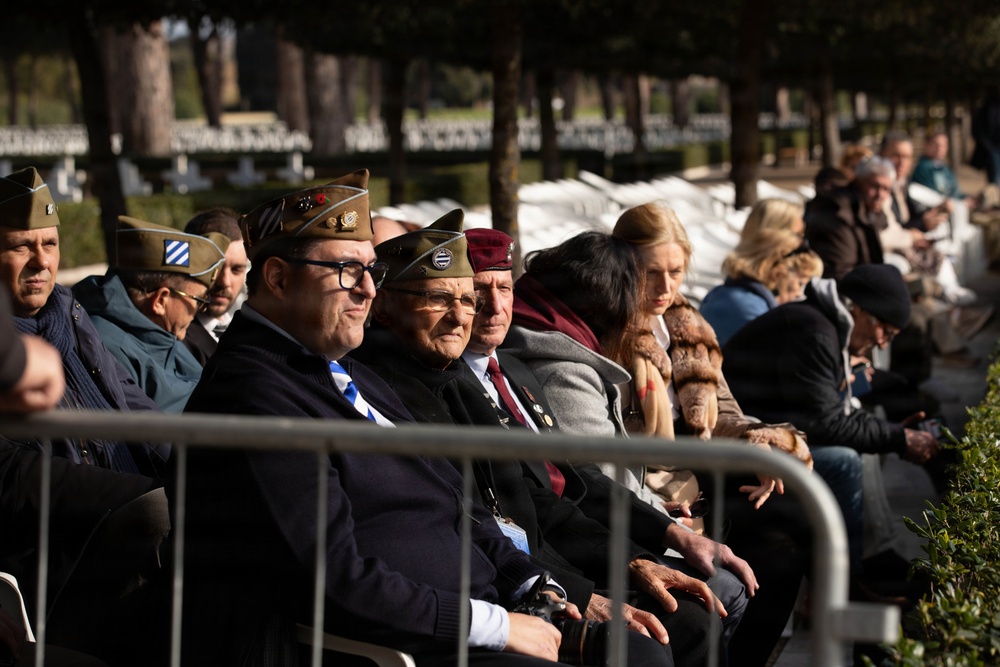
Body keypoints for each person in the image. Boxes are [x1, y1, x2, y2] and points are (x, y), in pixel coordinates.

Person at [179, 169, 600, 667]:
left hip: (477, 615)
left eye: (370, 272)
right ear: (277, 278)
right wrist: (499, 627)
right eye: (346, 271)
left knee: (641, 646)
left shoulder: (346, 372)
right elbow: (334, 580)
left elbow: (458, 502)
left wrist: (530, 583)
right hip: (397, 647)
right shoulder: (254, 395)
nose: (367, 290)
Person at [354, 221, 741, 667]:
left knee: (702, 608)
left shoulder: (467, 377)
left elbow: (549, 488)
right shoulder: (392, 386)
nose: (466, 315)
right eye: (442, 298)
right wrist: (570, 591)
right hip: (481, 595)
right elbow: (466, 521)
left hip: (537, 568)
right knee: (670, 632)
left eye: (469, 298)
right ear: (384, 305)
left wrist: (637, 555)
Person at [0, 167, 166, 474]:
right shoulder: (7, 355)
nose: (42, 261)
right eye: (20, 246)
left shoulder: (72, 316)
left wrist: (187, 463)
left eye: (50, 244)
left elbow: (131, 401)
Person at [74, 217, 226, 412]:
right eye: (199, 301)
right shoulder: (105, 345)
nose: (199, 310)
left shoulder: (162, 335)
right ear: (161, 300)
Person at [700, 225, 821, 346]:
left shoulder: (721, 293)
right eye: (800, 284)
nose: (800, 294)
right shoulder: (753, 313)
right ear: (778, 273)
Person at [181, 207, 248, 365]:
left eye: (236, 269)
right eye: (215, 269)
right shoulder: (177, 341)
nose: (225, 282)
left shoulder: (250, 332)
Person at [911, 130, 967, 201]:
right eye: (936, 145)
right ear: (927, 145)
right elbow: (934, 196)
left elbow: (956, 192)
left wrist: (966, 199)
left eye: (943, 145)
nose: (939, 149)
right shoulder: (923, 169)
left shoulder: (945, 169)